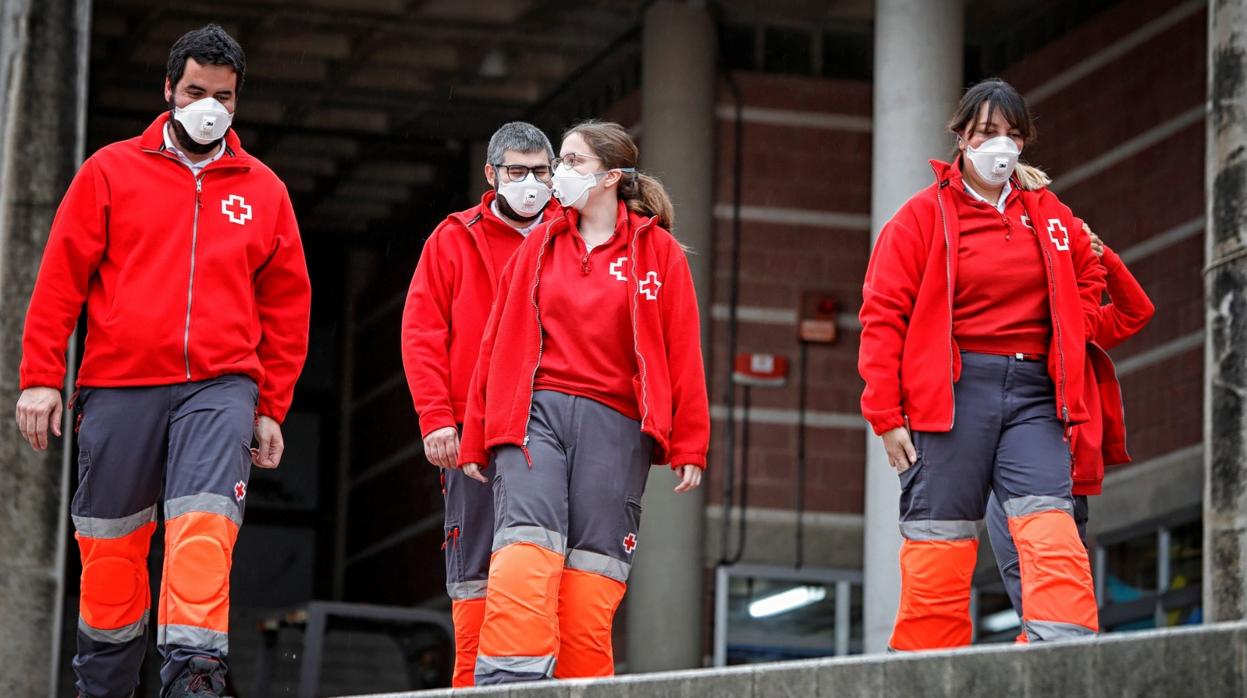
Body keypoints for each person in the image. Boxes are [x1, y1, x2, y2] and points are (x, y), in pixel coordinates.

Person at [15, 25, 311, 698]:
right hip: (119, 385)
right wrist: (39, 378)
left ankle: (194, 680)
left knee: (203, 532)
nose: (210, 106)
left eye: (224, 96)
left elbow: (288, 310)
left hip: (221, 386)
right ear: (170, 92)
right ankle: (106, 684)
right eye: (197, 91)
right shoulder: (110, 172)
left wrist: (270, 408)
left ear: (239, 102)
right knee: (112, 548)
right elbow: (59, 281)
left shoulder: (264, 191)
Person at [457, 120, 709, 684]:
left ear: (610, 177)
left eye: (571, 162)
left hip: (617, 427)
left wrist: (691, 441)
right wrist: (476, 432)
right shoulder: (539, 244)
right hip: (534, 415)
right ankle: (508, 685)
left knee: (591, 577)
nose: (558, 174)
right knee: (525, 547)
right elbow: (494, 342)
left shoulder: (660, 254)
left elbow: (683, 349)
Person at [858, 78, 1106, 650]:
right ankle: (927, 672)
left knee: (1051, 527)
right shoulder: (920, 217)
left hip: (1034, 395)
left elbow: (1091, 271)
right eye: (990, 133)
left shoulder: (1048, 214)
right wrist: (886, 414)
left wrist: (1076, 325)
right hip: (953, 394)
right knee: (939, 542)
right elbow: (883, 316)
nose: (1003, 146)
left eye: (1014, 135)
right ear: (963, 137)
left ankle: (1060, 655)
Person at [400, 121, 560, 687]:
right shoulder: (452, 239)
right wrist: (437, 419)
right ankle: (470, 684)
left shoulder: (571, 236)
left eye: (542, 171)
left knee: (550, 564)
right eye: (518, 172)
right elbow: (422, 333)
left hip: (554, 428)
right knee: (475, 570)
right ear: (491, 175)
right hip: (476, 434)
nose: (532, 183)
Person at [985, 220, 1155, 631]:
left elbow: (1138, 310)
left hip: (1066, 483)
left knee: (1063, 598)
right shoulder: (1009, 335)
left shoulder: (1079, 330)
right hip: (1010, 488)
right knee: (1032, 599)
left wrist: (1103, 256)